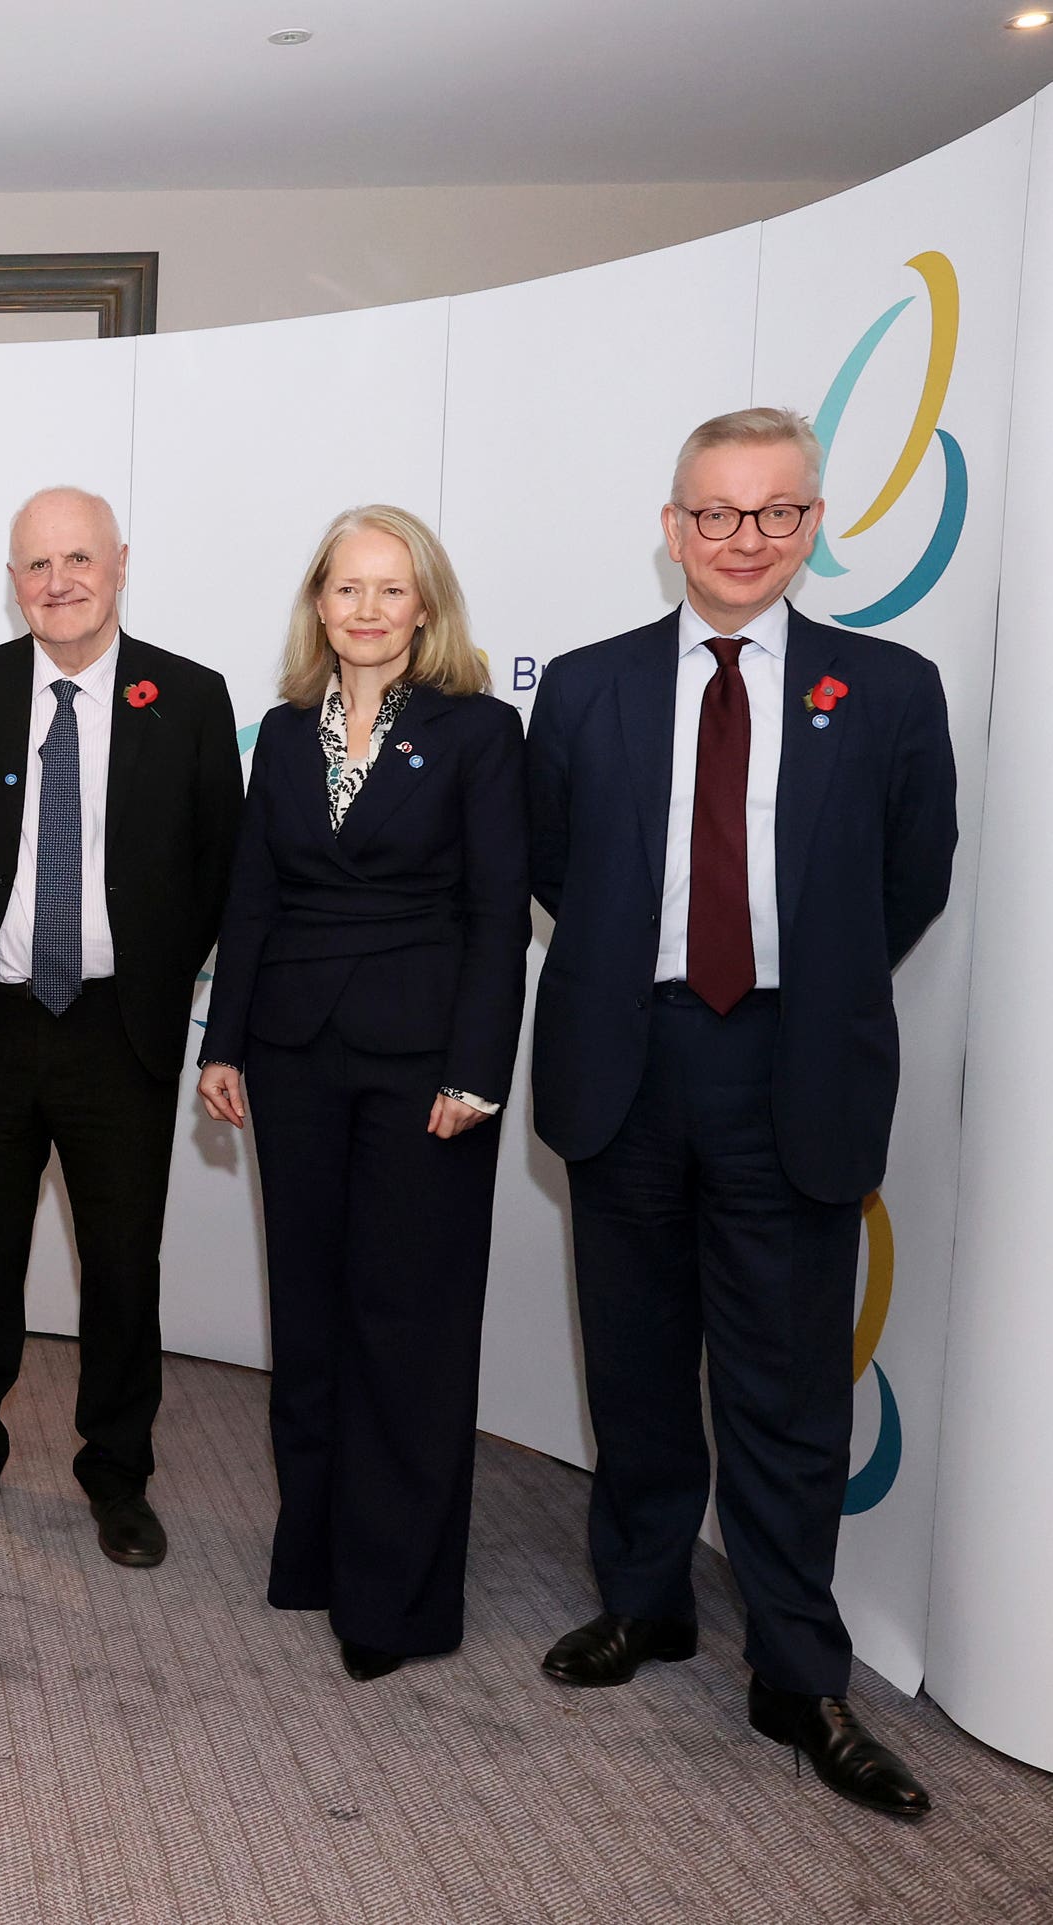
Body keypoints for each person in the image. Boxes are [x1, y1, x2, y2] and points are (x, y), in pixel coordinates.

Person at [526, 407, 955, 1818]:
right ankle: (644, 1602)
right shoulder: (582, 689)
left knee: (781, 1391)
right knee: (637, 1364)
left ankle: (796, 1670)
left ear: (811, 523)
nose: (741, 538)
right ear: (669, 528)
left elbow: (909, 883)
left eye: (772, 512)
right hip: (626, 1060)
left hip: (791, 1072)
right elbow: (551, 866)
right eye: (713, 513)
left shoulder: (884, 690)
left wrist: (797, 978)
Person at [0, 487, 241, 1566]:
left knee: (122, 1265)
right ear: (11, 577)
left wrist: (162, 986)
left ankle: (116, 1468)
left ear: (119, 563)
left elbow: (222, 866)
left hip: (116, 1032)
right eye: (35, 564)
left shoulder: (188, 694)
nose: (58, 581)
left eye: (78, 558)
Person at [196, 506, 528, 1682]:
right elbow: (252, 899)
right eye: (347, 589)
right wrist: (223, 1040)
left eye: (391, 590)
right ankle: (318, 1550)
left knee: (410, 1326)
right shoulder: (284, 736)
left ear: (424, 606)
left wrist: (479, 1069)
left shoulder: (482, 732)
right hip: (292, 1055)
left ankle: (398, 1597)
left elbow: (500, 916)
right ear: (319, 604)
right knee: (315, 1311)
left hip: (422, 1064)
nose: (368, 610)